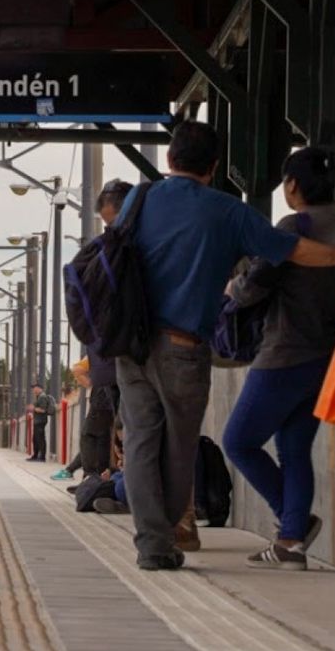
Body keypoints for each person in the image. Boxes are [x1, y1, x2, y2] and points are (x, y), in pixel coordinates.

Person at [114, 121, 335, 571]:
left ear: (171, 158)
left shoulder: (138, 198)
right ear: (214, 167)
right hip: (188, 346)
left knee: (142, 443)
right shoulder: (228, 210)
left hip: (132, 344)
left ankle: (153, 543)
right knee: (181, 447)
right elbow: (289, 250)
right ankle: (281, 536)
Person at [221, 148, 335, 570]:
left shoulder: (295, 226)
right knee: (293, 448)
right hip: (324, 362)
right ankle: (289, 545)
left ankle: (296, 523)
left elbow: (253, 288)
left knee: (238, 441)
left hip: (284, 354)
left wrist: (233, 288)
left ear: (292, 186)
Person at [52, 180, 131, 483]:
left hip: (122, 358)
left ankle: (110, 485)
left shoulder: (105, 251)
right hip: (114, 360)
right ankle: (108, 485)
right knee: (120, 430)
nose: (113, 227)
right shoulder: (106, 251)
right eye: (109, 222)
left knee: (123, 429)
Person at [26, 382, 55, 462]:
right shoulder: (39, 397)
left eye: (35, 388)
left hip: (40, 421)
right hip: (38, 421)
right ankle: (35, 456)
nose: (33, 390)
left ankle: (42, 457)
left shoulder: (42, 397)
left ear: (39, 388)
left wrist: (33, 408)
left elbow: (43, 410)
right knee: (35, 439)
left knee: (40, 439)